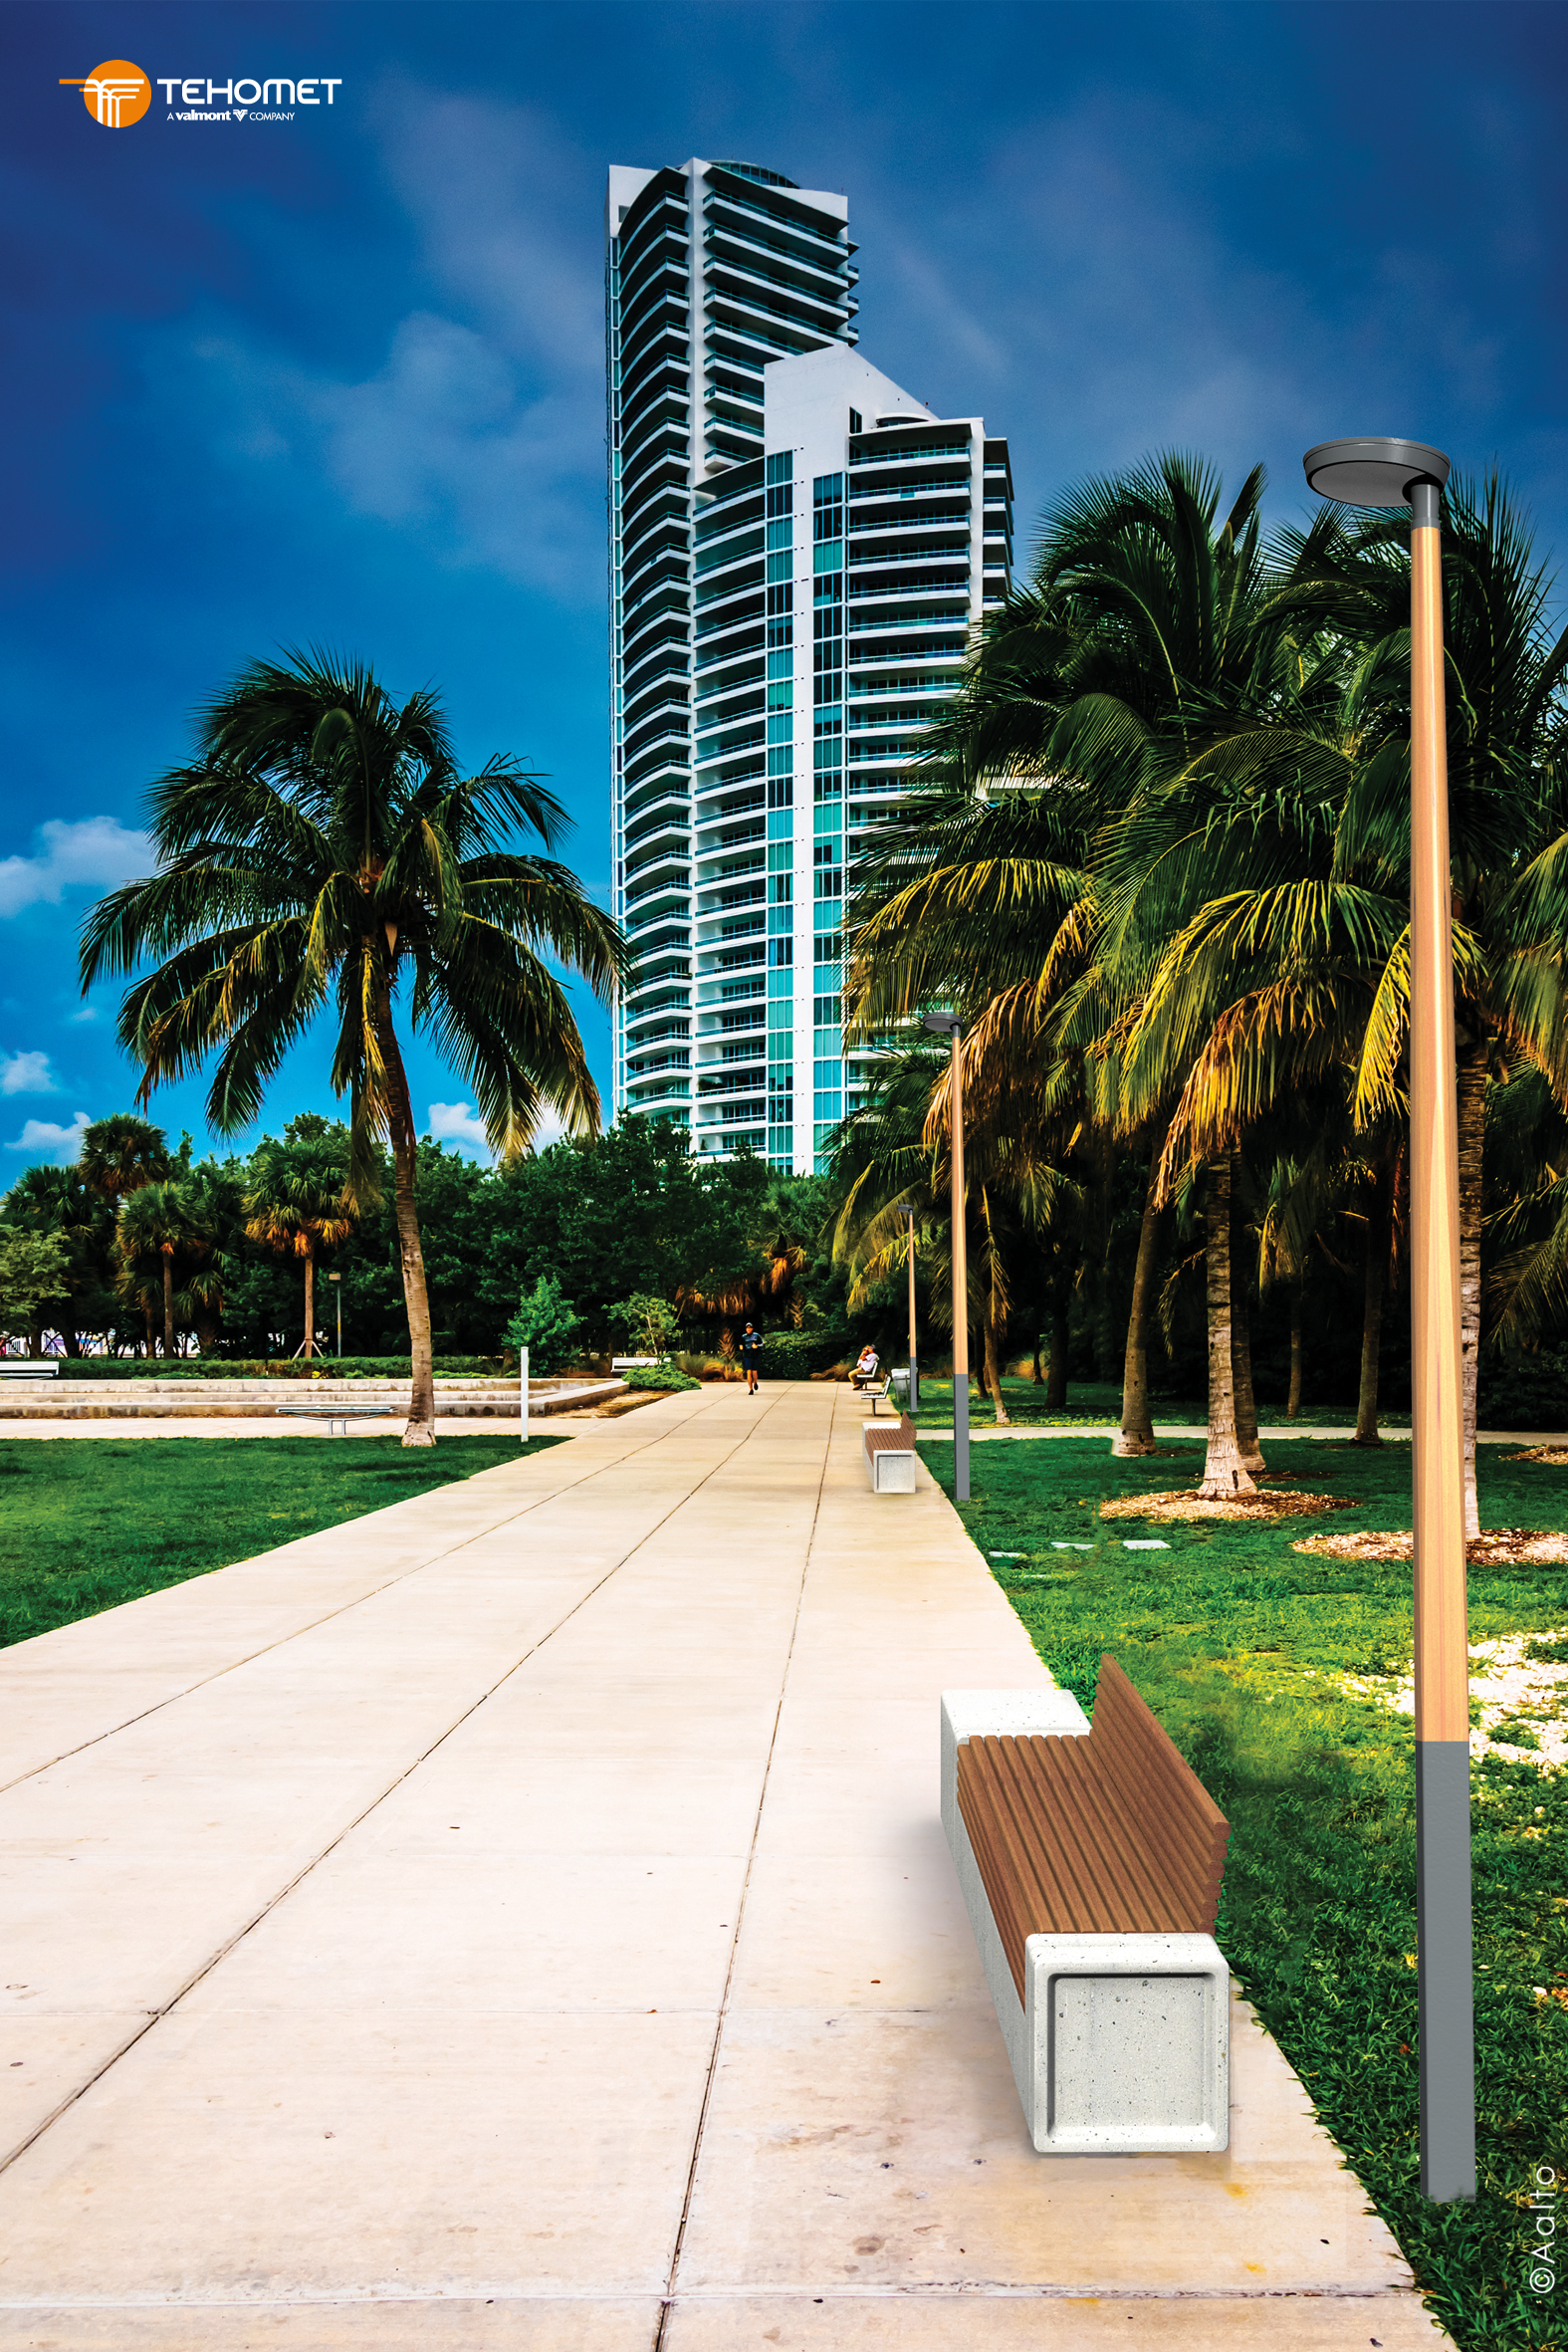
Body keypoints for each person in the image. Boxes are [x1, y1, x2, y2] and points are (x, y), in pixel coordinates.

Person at [739, 1319, 764, 1394]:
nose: (748, 1329)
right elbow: (740, 1344)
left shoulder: (756, 1335)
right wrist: (741, 1347)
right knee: (749, 1372)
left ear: (752, 1329)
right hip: (747, 1355)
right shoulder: (743, 1337)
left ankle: (755, 1382)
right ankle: (750, 1389)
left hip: (755, 1355)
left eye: (750, 1328)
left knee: (754, 1372)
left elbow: (762, 1343)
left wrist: (757, 1346)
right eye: (747, 1328)